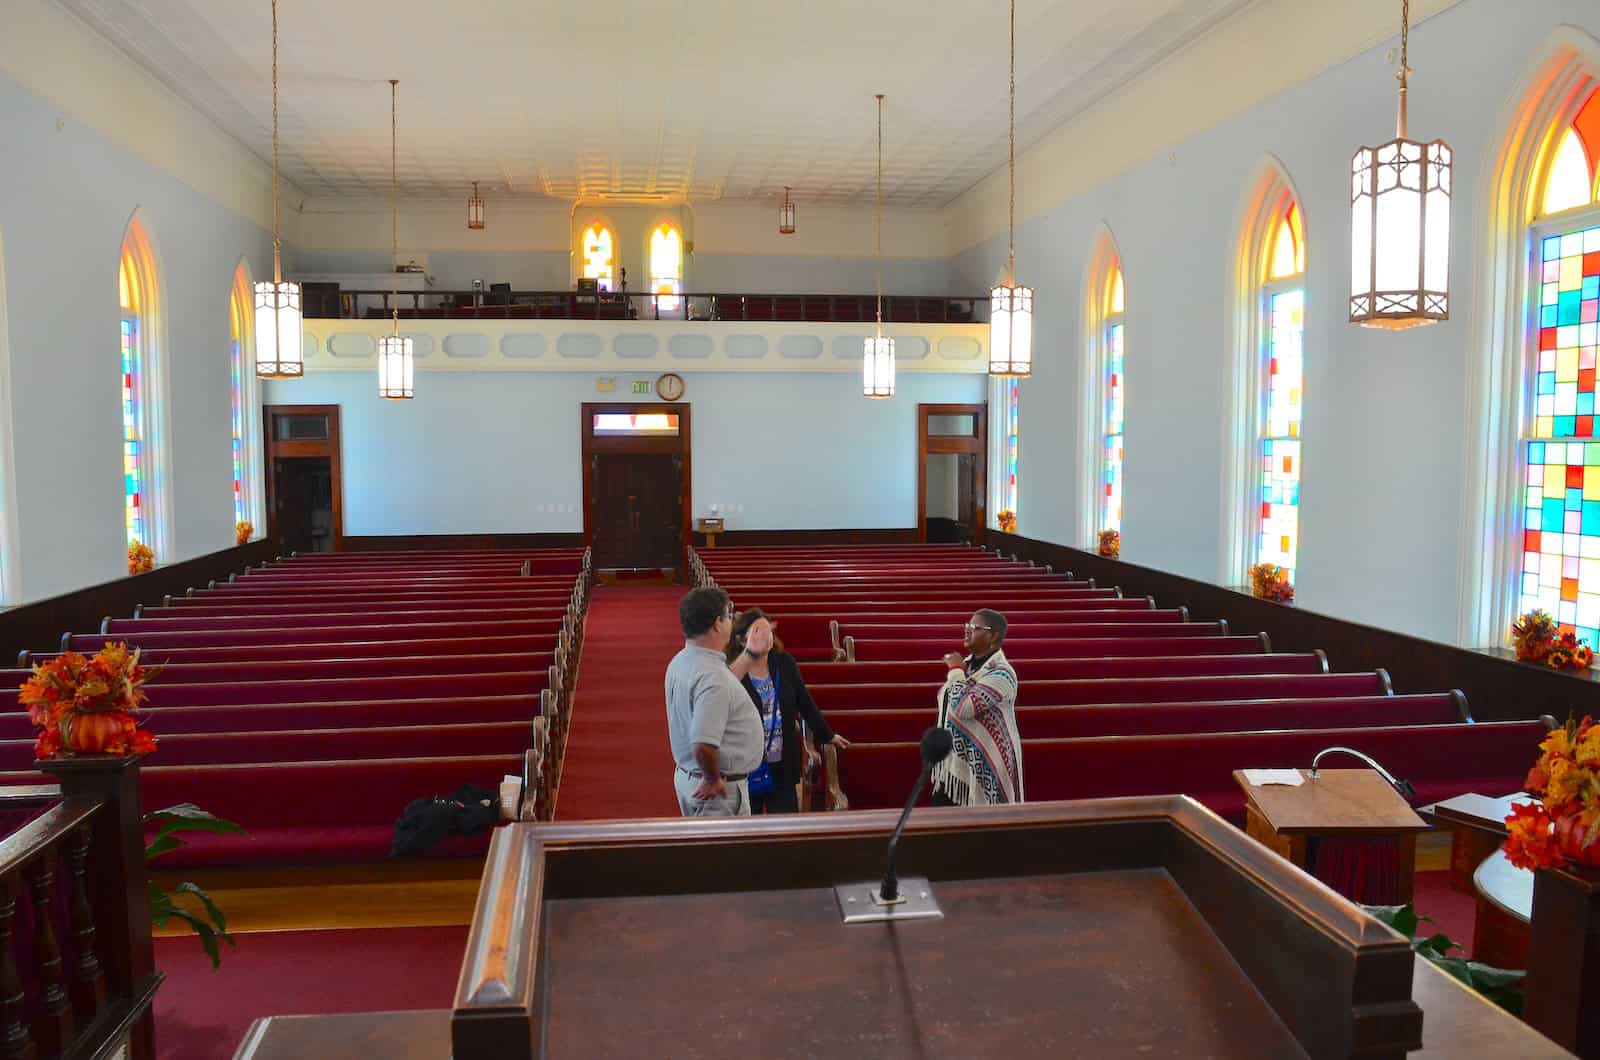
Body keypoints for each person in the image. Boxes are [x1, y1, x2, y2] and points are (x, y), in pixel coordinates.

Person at [725, 609, 851, 814]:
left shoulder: (784, 662)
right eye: (759, 632)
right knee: (749, 831)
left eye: (769, 631)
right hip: (746, 766)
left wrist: (827, 734)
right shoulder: (733, 671)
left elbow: (804, 701)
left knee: (785, 826)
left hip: (782, 761)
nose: (767, 637)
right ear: (741, 640)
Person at [665, 587, 763, 816]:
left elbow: (720, 687)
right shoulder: (712, 678)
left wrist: (750, 654)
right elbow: (703, 744)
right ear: (717, 623)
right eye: (728, 616)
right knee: (726, 853)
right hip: (716, 794)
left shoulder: (682, 660)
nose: (731, 622)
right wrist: (712, 778)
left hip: (689, 777)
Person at [931, 608, 1023, 806]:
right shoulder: (968, 666)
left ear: (993, 636)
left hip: (986, 766)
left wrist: (955, 671)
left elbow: (963, 708)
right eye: (967, 626)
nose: (967, 630)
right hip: (954, 765)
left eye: (974, 627)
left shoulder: (1003, 674)